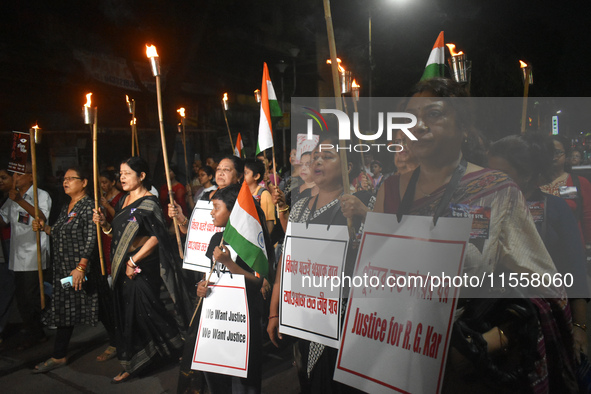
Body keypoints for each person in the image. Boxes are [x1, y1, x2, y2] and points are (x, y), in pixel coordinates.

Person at [374, 78, 576, 392]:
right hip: (397, 358)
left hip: (466, 370)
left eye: (434, 114)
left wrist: (483, 344)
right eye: (411, 117)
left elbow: (544, 288)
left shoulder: (496, 191)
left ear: (464, 127)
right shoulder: (386, 192)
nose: (419, 125)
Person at [268, 135, 373, 393]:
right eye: (315, 157)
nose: (317, 161)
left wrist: (365, 215)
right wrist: (274, 310)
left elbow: (386, 251)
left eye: (327, 157)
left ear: (348, 167)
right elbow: (288, 260)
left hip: (345, 321)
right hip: (306, 314)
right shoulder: (300, 207)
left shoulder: (364, 201)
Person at [488, 133, 588, 359]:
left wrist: (580, 328)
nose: (491, 181)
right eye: (488, 173)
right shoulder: (483, 210)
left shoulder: (556, 209)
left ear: (526, 175)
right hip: (494, 318)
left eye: (500, 175)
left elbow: (575, 271)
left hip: (542, 322)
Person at [93, 157, 189, 383]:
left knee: (148, 310)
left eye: (127, 173)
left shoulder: (150, 202)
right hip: (122, 262)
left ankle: (172, 349)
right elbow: (114, 234)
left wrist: (134, 260)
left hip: (142, 265)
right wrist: (104, 224)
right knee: (129, 314)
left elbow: (157, 237)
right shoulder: (123, 200)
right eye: (121, 173)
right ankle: (144, 356)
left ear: (142, 176)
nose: (122, 178)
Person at [196, 183, 273, 393]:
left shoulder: (251, 242)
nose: (211, 213)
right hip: (217, 319)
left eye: (216, 207)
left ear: (233, 212)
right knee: (215, 372)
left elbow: (258, 282)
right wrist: (201, 287)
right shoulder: (215, 238)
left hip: (244, 319)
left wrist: (230, 263)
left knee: (243, 377)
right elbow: (207, 277)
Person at [31, 167, 100, 373]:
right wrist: (43, 227)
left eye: (71, 178)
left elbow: (91, 238)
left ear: (84, 182)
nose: (65, 182)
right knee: (68, 307)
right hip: (63, 269)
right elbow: (58, 232)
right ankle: (60, 354)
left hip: (80, 269)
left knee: (85, 306)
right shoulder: (66, 206)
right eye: (64, 179)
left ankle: (60, 354)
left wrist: (81, 266)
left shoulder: (89, 206)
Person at [0, 163, 51, 350]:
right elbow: (4, 220)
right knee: (22, 299)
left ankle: (46, 319)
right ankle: (35, 333)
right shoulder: (12, 197)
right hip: (17, 255)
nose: (15, 178)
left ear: (31, 176)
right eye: (13, 175)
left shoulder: (41, 195)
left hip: (34, 254)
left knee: (31, 297)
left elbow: (42, 217)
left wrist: (21, 201)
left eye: (19, 175)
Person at [541, 135, 591, 255]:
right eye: (549, 152)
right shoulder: (532, 183)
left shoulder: (579, 183)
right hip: (538, 251)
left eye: (558, 152)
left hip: (572, 250)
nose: (553, 156)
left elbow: (587, 217)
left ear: (566, 155)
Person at [0, 165, 15, 343]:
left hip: (12, 246)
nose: (0, 181)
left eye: (4, 177)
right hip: (5, 247)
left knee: (8, 285)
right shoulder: (5, 199)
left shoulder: (14, 199)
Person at [244, 159, 275, 234]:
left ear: (256, 176)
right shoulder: (240, 192)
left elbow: (269, 222)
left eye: (245, 173)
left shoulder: (264, 194)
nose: (242, 176)